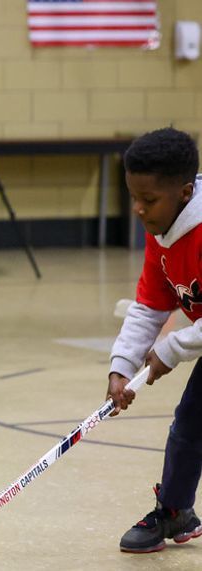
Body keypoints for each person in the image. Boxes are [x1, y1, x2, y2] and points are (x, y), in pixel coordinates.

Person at [107, 127, 202, 554]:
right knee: (190, 424)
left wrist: (170, 349)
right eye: (134, 197)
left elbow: (171, 340)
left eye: (149, 200)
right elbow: (148, 306)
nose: (138, 210)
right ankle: (176, 510)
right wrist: (122, 366)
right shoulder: (161, 232)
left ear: (184, 193)